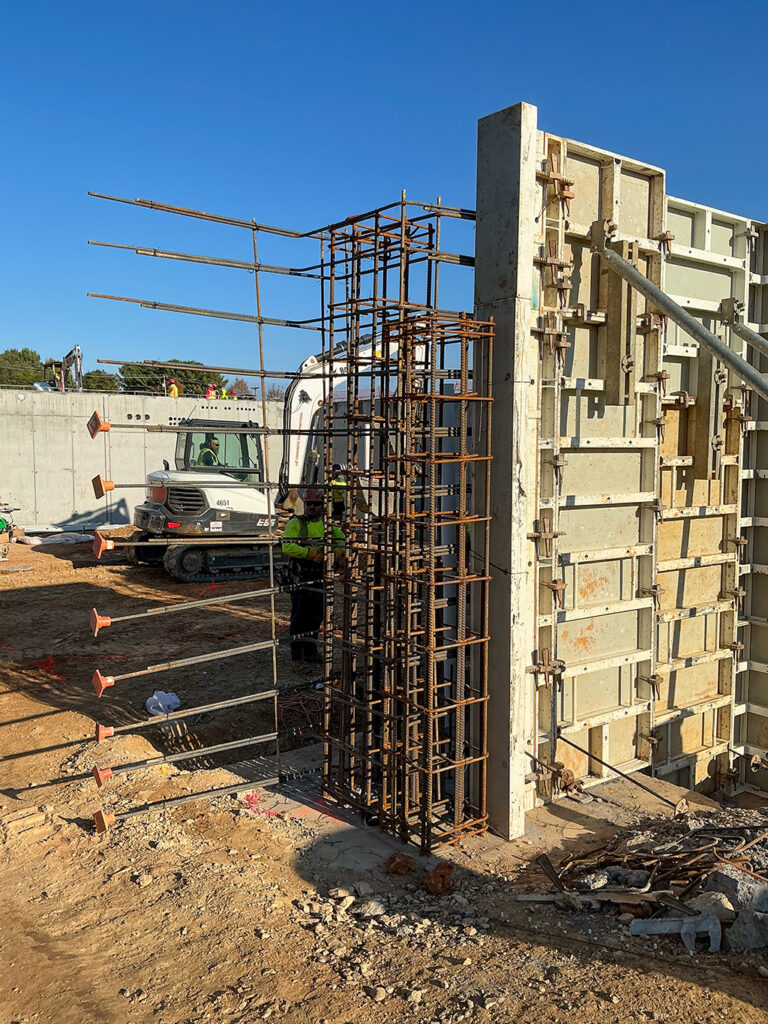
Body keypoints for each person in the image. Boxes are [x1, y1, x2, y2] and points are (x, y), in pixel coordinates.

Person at [282, 486, 344, 669]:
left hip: (321, 575)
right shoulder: (296, 524)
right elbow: (287, 547)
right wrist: (310, 553)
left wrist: (337, 551)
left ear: (322, 506)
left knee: (316, 616)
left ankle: (310, 651)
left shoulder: (327, 525)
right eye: (309, 504)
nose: (312, 508)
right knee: (299, 617)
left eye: (316, 504)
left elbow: (341, 540)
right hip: (301, 577)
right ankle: (296, 657)